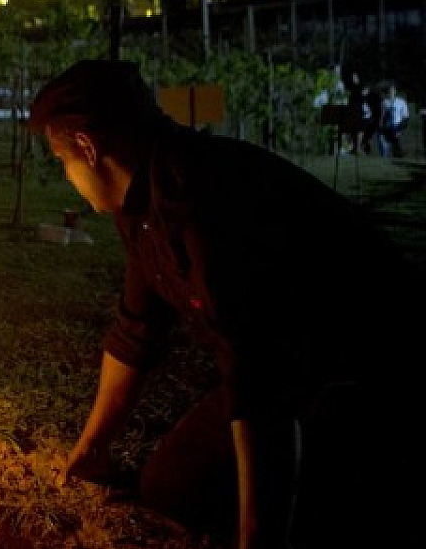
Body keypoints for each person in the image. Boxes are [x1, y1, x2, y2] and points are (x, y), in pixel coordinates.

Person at [26, 60, 412, 549]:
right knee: (170, 486)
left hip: (368, 363)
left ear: (87, 146)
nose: (68, 179)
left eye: (64, 163)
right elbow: (135, 330)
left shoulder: (201, 200)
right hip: (288, 368)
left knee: (324, 500)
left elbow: (259, 377)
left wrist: (255, 536)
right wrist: (92, 448)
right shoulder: (141, 201)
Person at [378, 83, 409, 158]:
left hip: (397, 125)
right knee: (386, 141)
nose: (391, 92)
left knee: (395, 139)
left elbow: (405, 115)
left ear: (395, 91)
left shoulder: (401, 102)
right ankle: (389, 155)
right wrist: (381, 123)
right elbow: (383, 114)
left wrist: (401, 125)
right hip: (388, 126)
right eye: (390, 91)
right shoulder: (385, 102)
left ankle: (399, 153)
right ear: (388, 92)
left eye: (393, 90)